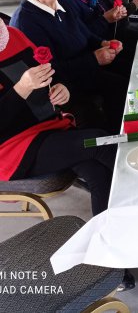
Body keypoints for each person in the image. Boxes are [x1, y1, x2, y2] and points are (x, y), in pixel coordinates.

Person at [0, 18, 115, 216]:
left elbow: (50, 74)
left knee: (97, 172)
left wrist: (62, 90)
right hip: (13, 149)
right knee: (100, 141)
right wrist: (22, 88)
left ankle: (107, 235)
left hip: (48, 127)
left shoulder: (12, 34)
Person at [10, 0, 128, 134]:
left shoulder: (58, 5)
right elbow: (50, 70)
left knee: (129, 70)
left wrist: (103, 42)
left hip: (82, 70)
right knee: (118, 90)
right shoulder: (26, 21)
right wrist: (94, 59)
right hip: (61, 87)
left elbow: (85, 34)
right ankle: (117, 142)